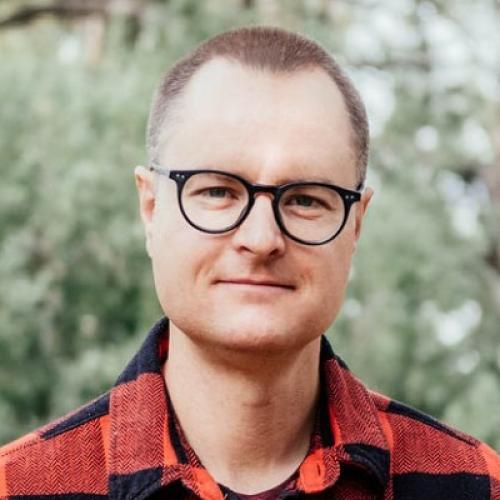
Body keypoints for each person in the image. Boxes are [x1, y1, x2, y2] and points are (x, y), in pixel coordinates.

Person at [0, 26, 499, 500]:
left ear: (356, 225)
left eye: (305, 199)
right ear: (151, 208)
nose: (261, 240)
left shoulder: (477, 486)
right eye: (218, 191)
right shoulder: (18, 487)